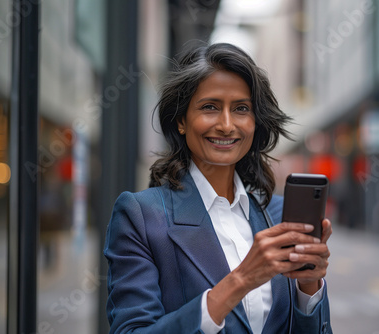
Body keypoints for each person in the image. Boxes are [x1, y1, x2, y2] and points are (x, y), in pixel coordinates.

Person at [104, 42, 333, 334]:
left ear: (254, 122)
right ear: (181, 120)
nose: (226, 125)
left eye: (241, 109)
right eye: (210, 107)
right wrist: (240, 281)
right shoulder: (140, 216)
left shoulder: (277, 214)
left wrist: (308, 285)